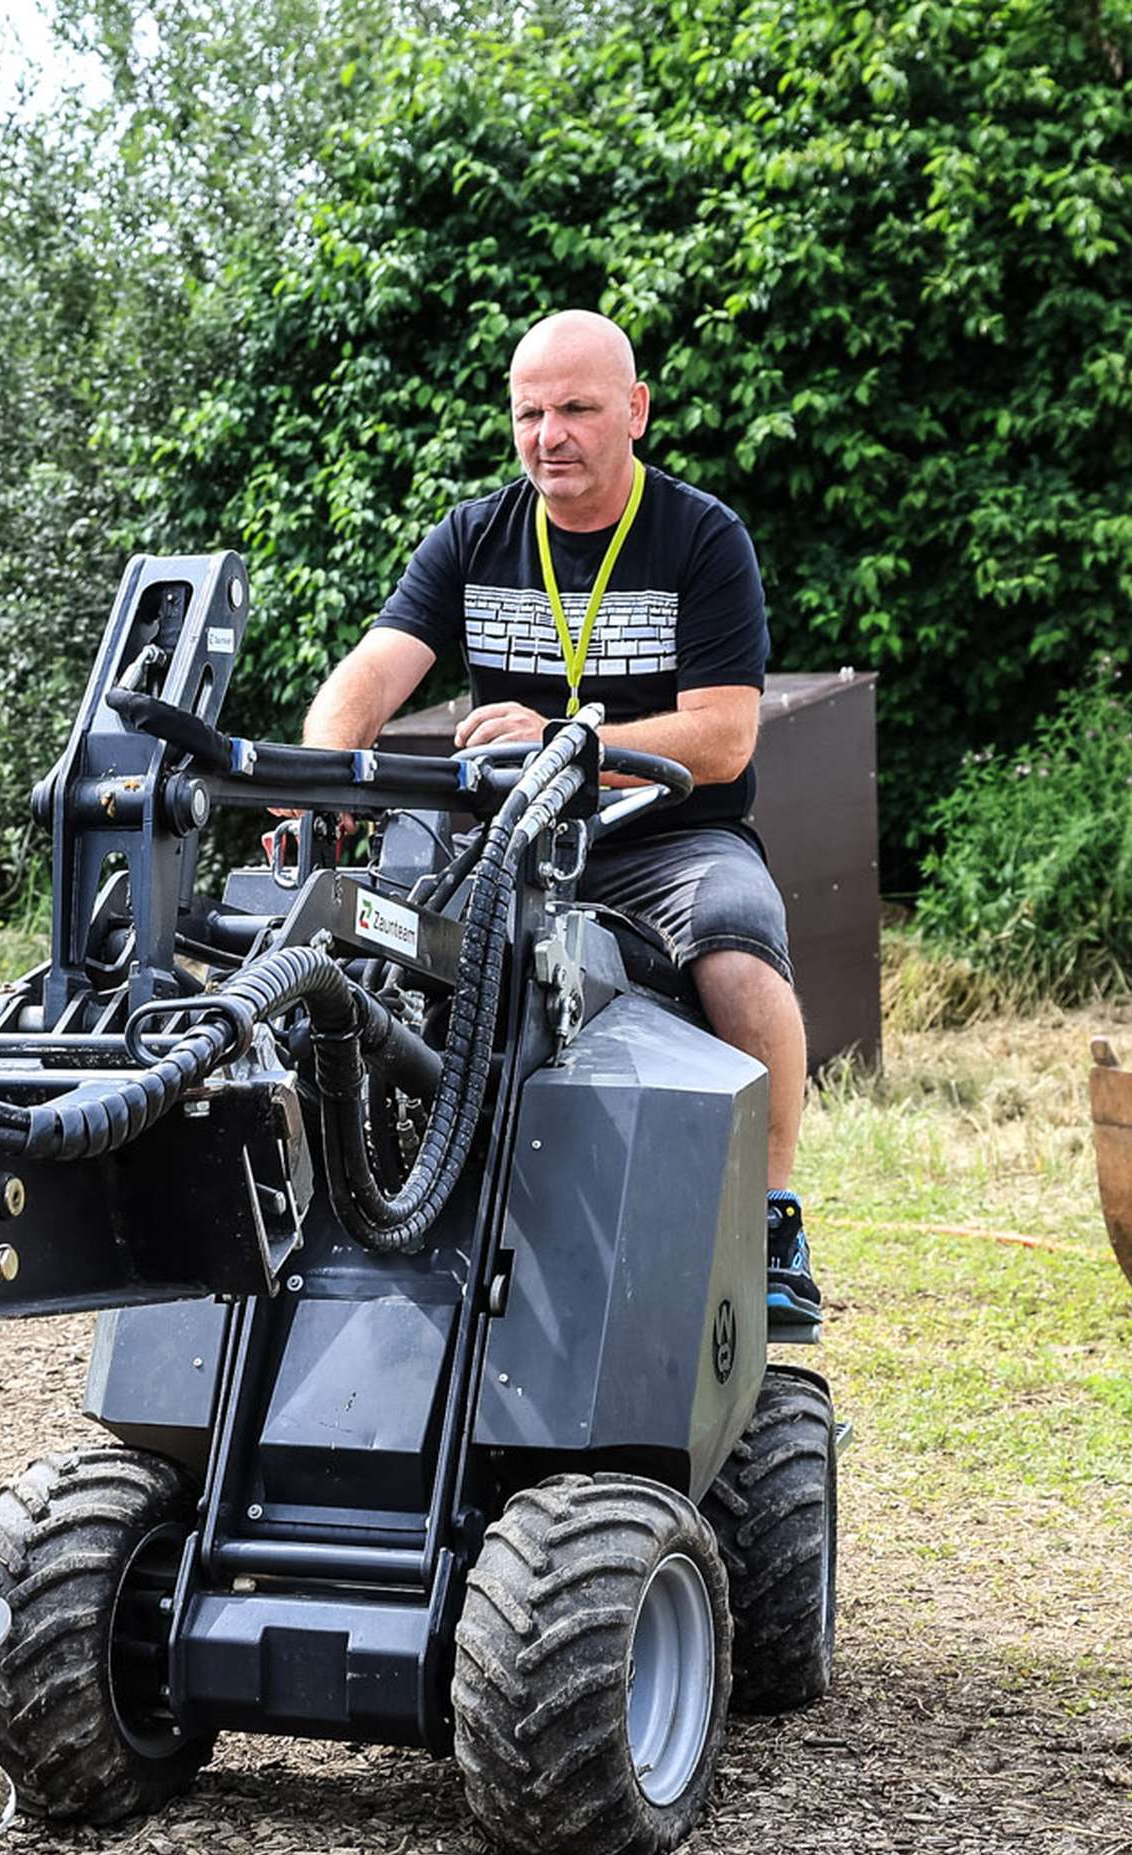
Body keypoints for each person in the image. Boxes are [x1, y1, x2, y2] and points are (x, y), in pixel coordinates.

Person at [300, 309, 825, 1329]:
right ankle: (389, 1191)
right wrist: (322, 763)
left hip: (666, 838)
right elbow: (372, 673)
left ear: (634, 411)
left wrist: (570, 734)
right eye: (530, 412)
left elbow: (724, 739)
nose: (551, 435)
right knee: (373, 946)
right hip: (509, 838)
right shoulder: (474, 536)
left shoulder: (702, 538)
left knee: (738, 947)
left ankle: (773, 1218)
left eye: (577, 409)